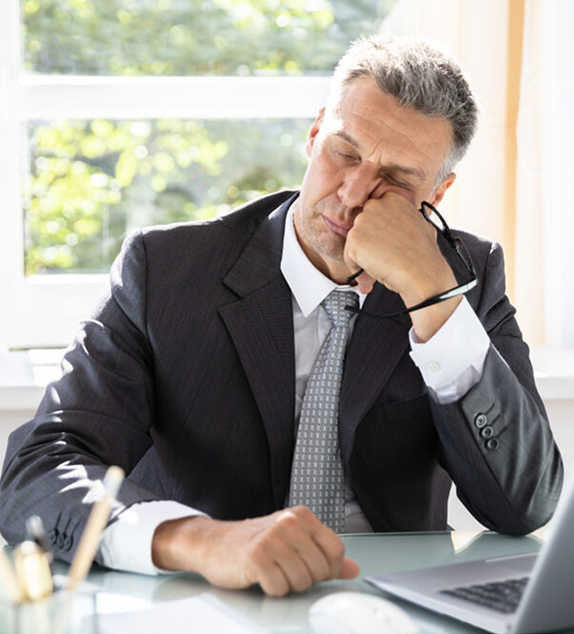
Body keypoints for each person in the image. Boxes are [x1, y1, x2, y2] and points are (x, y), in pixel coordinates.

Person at [0, 34, 563, 597]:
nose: (352, 193)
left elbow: (525, 504)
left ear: (438, 191)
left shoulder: (467, 276)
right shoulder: (164, 270)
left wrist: (432, 299)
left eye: (396, 179)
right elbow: (38, 472)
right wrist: (198, 539)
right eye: (344, 151)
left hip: (392, 608)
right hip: (204, 601)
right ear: (316, 133)